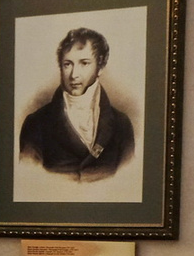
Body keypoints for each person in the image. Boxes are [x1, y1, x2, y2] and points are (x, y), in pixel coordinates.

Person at [19, 27, 135, 181]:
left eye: (84, 63)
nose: (74, 75)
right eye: (67, 64)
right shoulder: (36, 123)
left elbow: (129, 180)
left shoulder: (122, 124)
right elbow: (27, 180)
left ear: (100, 66)